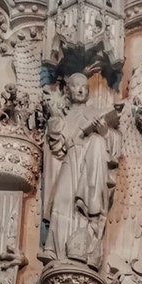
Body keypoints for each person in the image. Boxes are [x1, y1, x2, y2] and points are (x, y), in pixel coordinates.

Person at [42, 72, 120, 267]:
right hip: (71, 158)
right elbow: (57, 149)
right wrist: (54, 128)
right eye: (76, 85)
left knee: (86, 201)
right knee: (62, 198)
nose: (80, 89)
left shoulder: (96, 113)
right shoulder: (65, 116)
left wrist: (104, 133)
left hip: (91, 163)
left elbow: (115, 142)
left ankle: (85, 248)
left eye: (84, 86)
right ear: (68, 90)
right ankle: (55, 250)